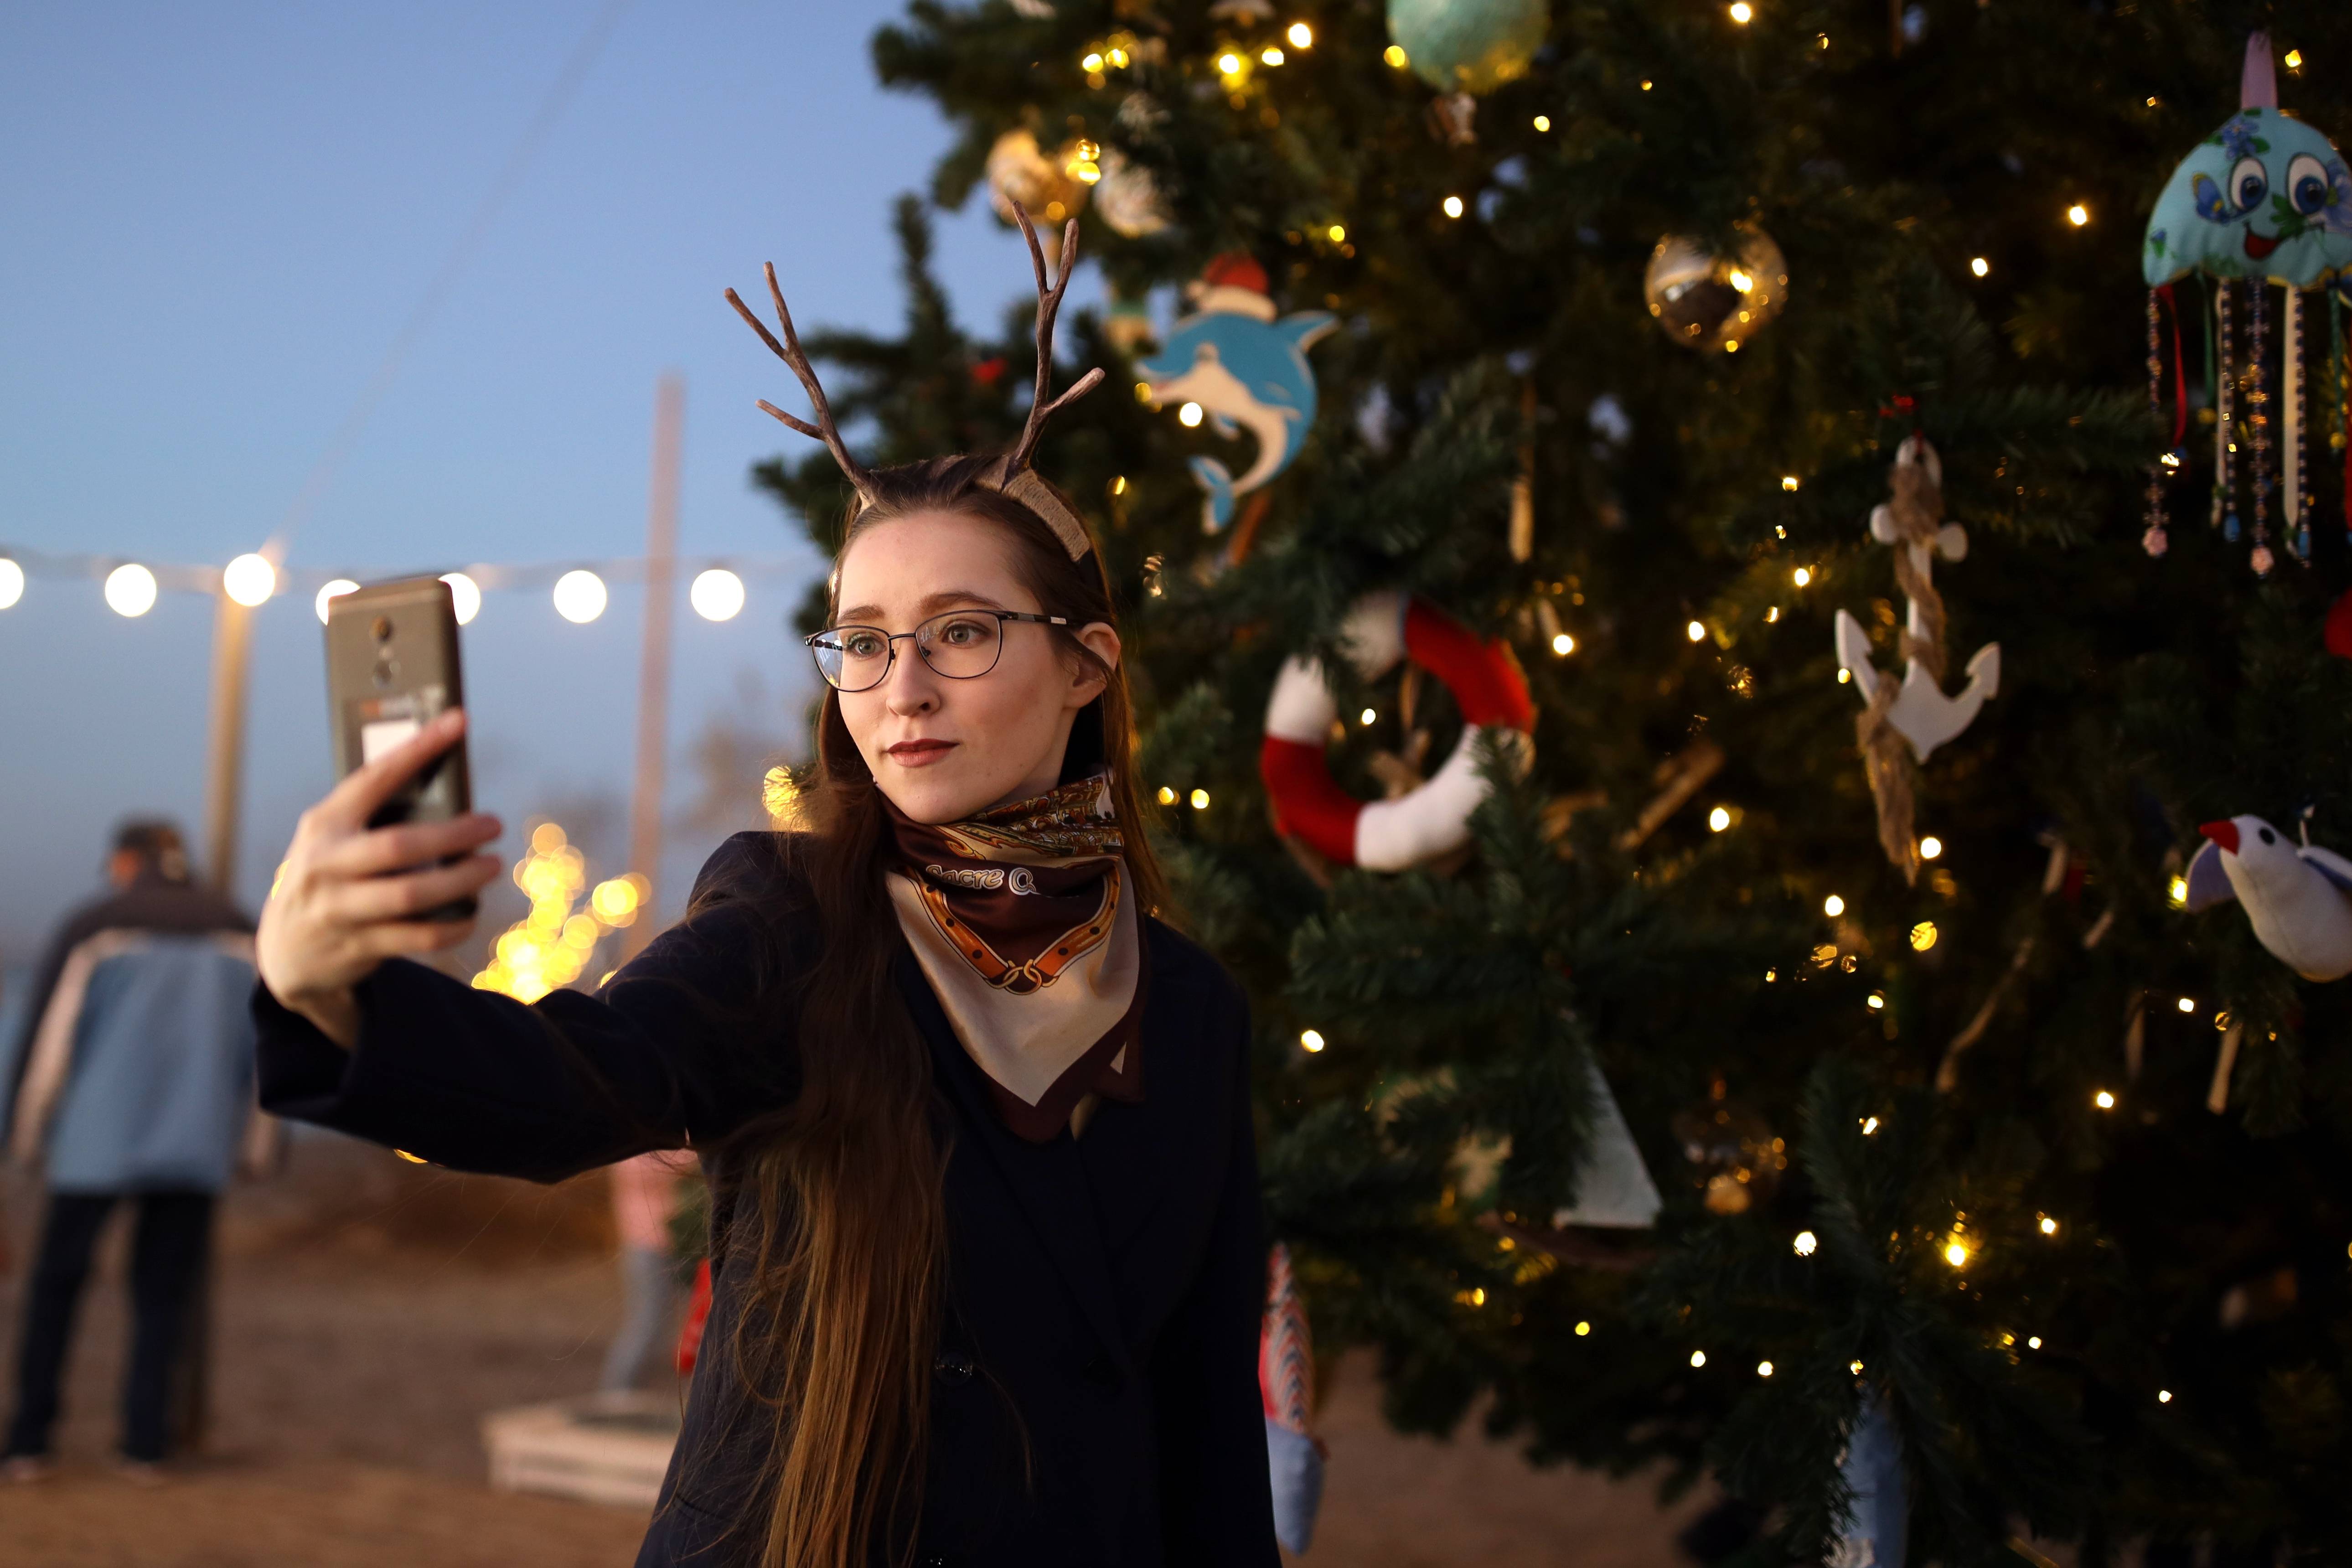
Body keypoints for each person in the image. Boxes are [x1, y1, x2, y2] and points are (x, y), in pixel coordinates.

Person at [250, 211, 1278, 1568]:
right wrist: (317, 986)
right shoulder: (795, 918)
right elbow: (584, 1078)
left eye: (960, 633)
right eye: (861, 642)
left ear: (1086, 663)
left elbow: (1206, 1420)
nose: (898, 689)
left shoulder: (1189, 1002)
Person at [2, 820, 272, 1482]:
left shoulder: (99, 924)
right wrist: (257, 1148)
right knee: (162, 1296)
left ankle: (30, 1438)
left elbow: (51, 1041)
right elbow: (268, 1050)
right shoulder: (242, 928)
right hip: (195, 1144)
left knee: (57, 1285)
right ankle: (144, 1443)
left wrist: (24, 1136)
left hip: (95, 1143)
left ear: (127, 859)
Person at [601, 1148, 695, 1393]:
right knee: (648, 1324)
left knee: (694, 1325)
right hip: (647, 1245)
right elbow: (647, 1171)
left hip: (686, 1243)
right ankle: (615, 1395)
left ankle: (694, 1401)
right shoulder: (634, 1134)